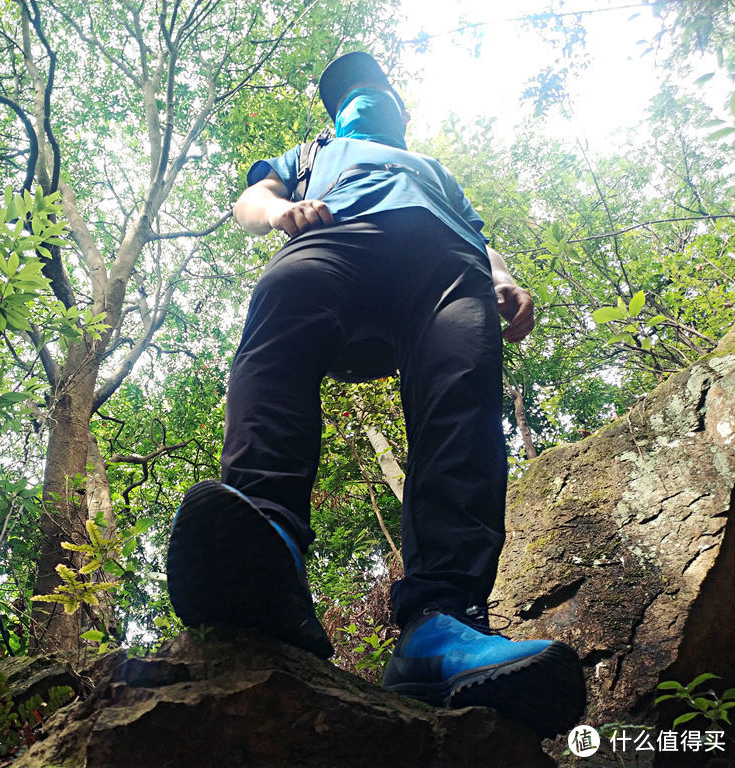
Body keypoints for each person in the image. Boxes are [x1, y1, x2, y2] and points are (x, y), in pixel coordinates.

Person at [166, 51, 585, 738]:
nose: (362, 99)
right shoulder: (313, 150)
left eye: (371, 88)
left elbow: (481, 239)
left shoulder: (434, 171)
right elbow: (251, 199)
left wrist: (504, 278)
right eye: (347, 94)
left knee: (464, 391)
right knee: (282, 300)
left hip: (443, 264)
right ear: (333, 114)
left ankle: (440, 627)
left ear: (398, 106)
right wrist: (279, 213)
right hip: (333, 235)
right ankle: (263, 551)